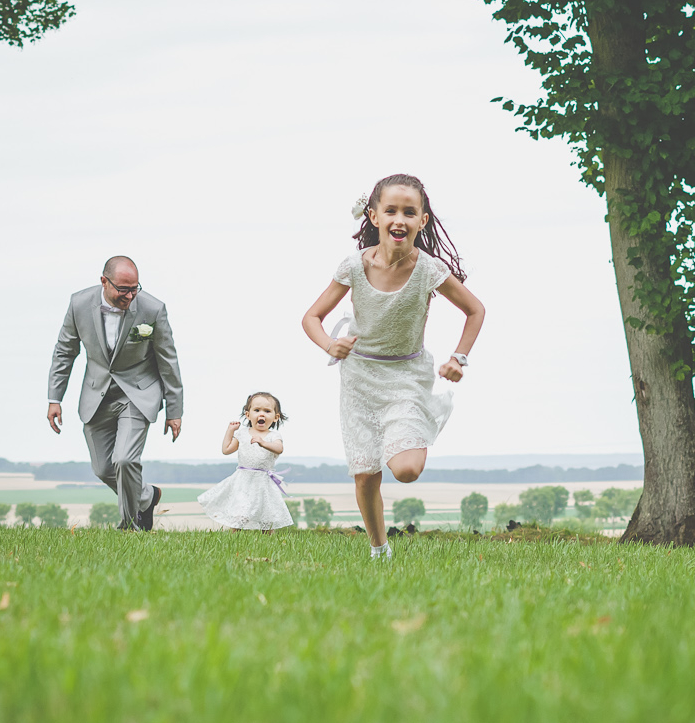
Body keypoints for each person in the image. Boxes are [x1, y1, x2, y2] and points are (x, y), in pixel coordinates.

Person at [300, 174, 486, 559]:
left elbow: (475, 309)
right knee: (366, 474)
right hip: (359, 378)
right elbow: (311, 318)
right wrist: (331, 344)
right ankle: (379, 549)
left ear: (423, 221)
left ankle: (414, 422)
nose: (399, 219)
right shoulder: (353, 266)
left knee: (405, 469)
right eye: (391, 211)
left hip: (406, 376)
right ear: (373, 216)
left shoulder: (429, 270)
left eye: (409, 212)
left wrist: (459, 357)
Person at [47, 256, 183, 529]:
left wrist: (174, 410)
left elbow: (168, 361)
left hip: (138, 394)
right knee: (103, 469)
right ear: (104, 282)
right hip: (96, 394)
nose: (130, 296)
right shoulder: (79, 304)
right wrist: (54, 398)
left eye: (135, 288)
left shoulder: (153, 309)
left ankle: (130, 525)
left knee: (125, 459)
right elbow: (65, 352)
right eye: (123, 289)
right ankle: (147, 496)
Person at [199, 392, 294, 530]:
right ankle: (235, 538)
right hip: (243, 481)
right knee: (239, 512)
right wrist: (230, 431)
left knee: (267, 515)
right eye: (257, 410)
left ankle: (267, 540)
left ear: (275, 417)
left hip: (263, 482)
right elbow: (226, 450)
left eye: (267, 411)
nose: (261, 414)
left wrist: (263, 443)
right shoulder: (242, 433)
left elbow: (279, 448)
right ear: (248, 415)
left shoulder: (274, 436)